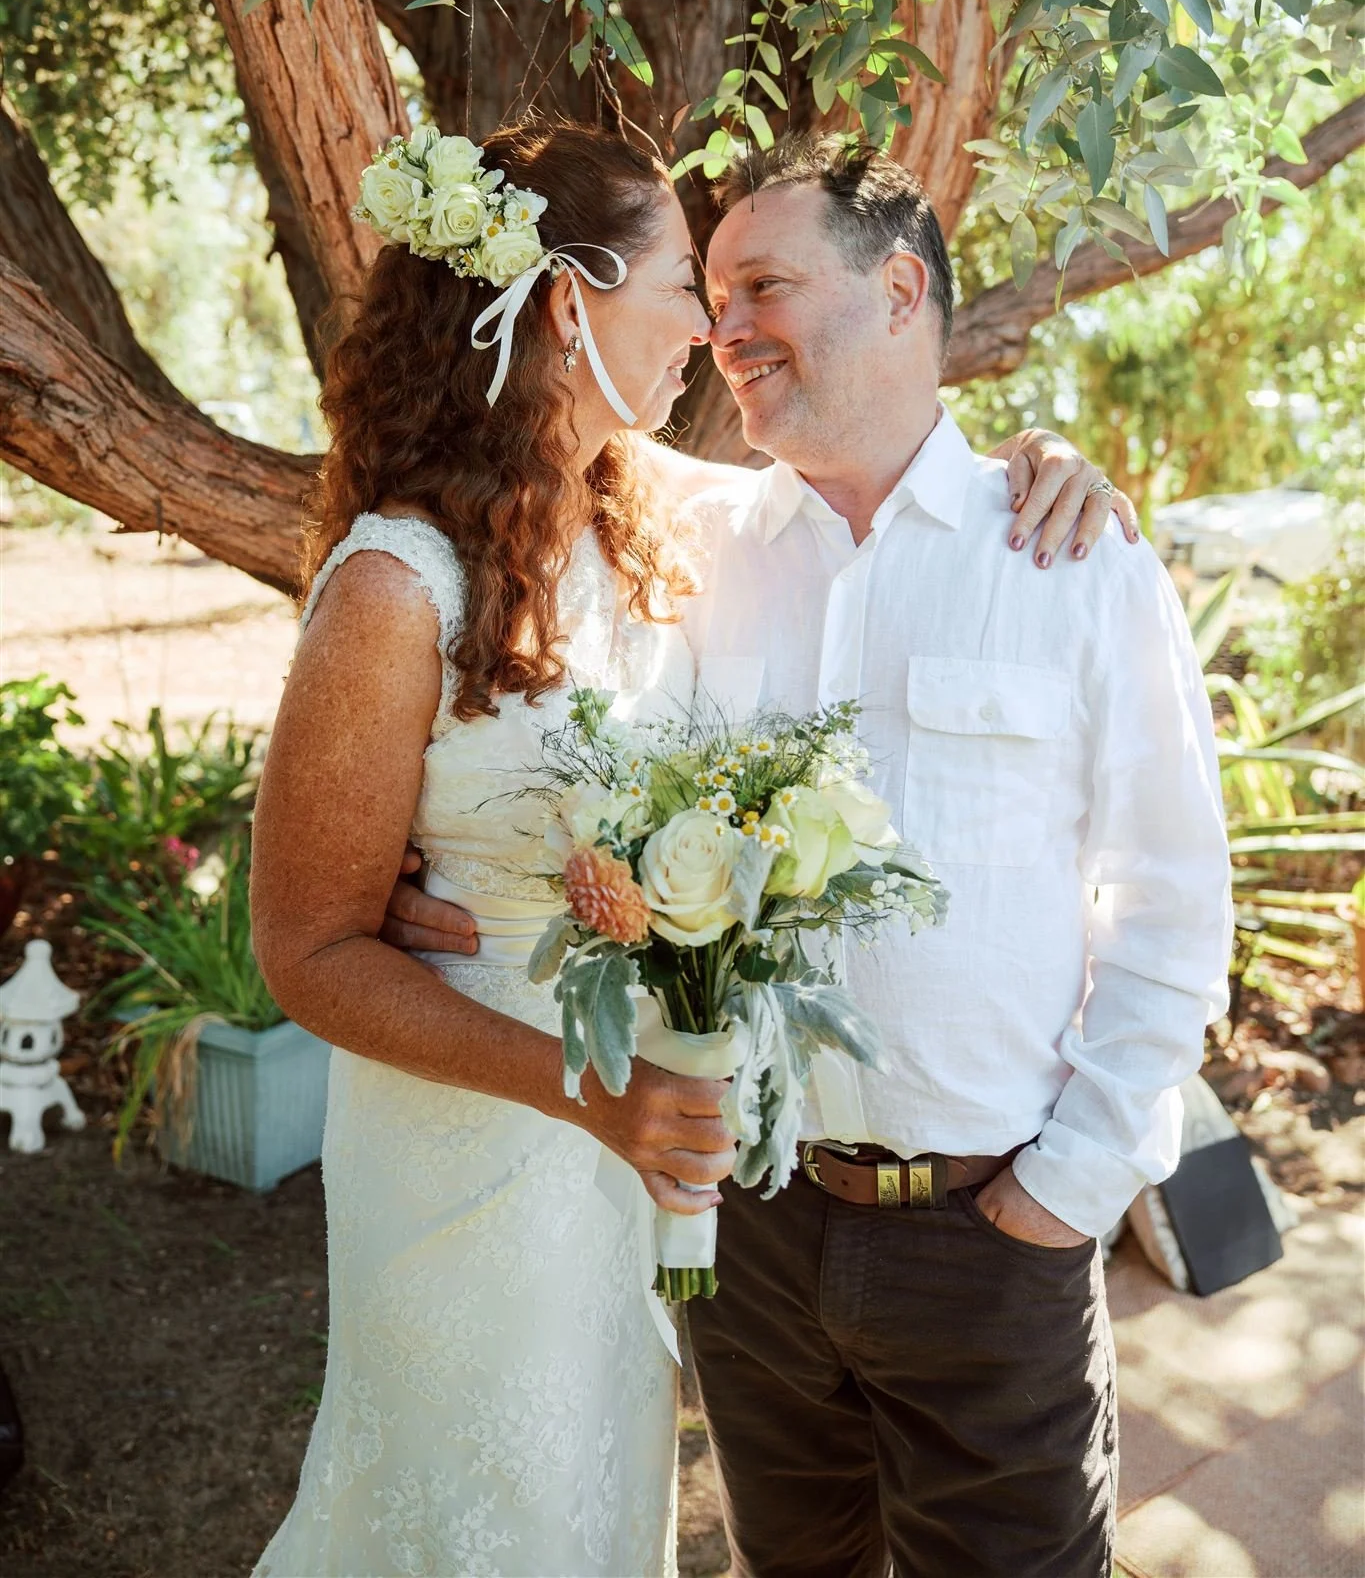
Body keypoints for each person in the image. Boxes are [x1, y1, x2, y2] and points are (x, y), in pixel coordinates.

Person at [388, 134, 1231, 1578]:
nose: (723, 329)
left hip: (989, 1234)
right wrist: (425, 866)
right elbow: (521, 610)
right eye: (709, 292)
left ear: (901, 290)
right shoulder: (691, 543)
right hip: (753, 1238)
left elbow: (1171, 905)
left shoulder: (1073, 560)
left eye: (763, 283)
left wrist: (1065, 1194)